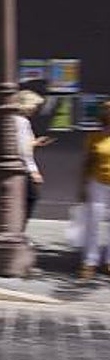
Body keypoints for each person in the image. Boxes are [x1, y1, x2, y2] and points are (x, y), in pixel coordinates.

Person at [76, 100, 110, 279]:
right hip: (97, 184)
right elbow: (86, 163)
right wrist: (82, 186)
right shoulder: (94, 136)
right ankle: (90, 262)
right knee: (93, 223)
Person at [13, 89, 51, 227]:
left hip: (14, 166)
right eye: (35, 105)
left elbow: (20, 145)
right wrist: (33, 171)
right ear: (26, 105)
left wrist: (34, 143)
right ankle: (19, 231)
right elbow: (24, 151)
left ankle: (16, 230)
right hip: (22, 167)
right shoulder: (23, 122)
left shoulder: (11, 119)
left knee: (17, 200)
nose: (36, 109)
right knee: (31, 198)